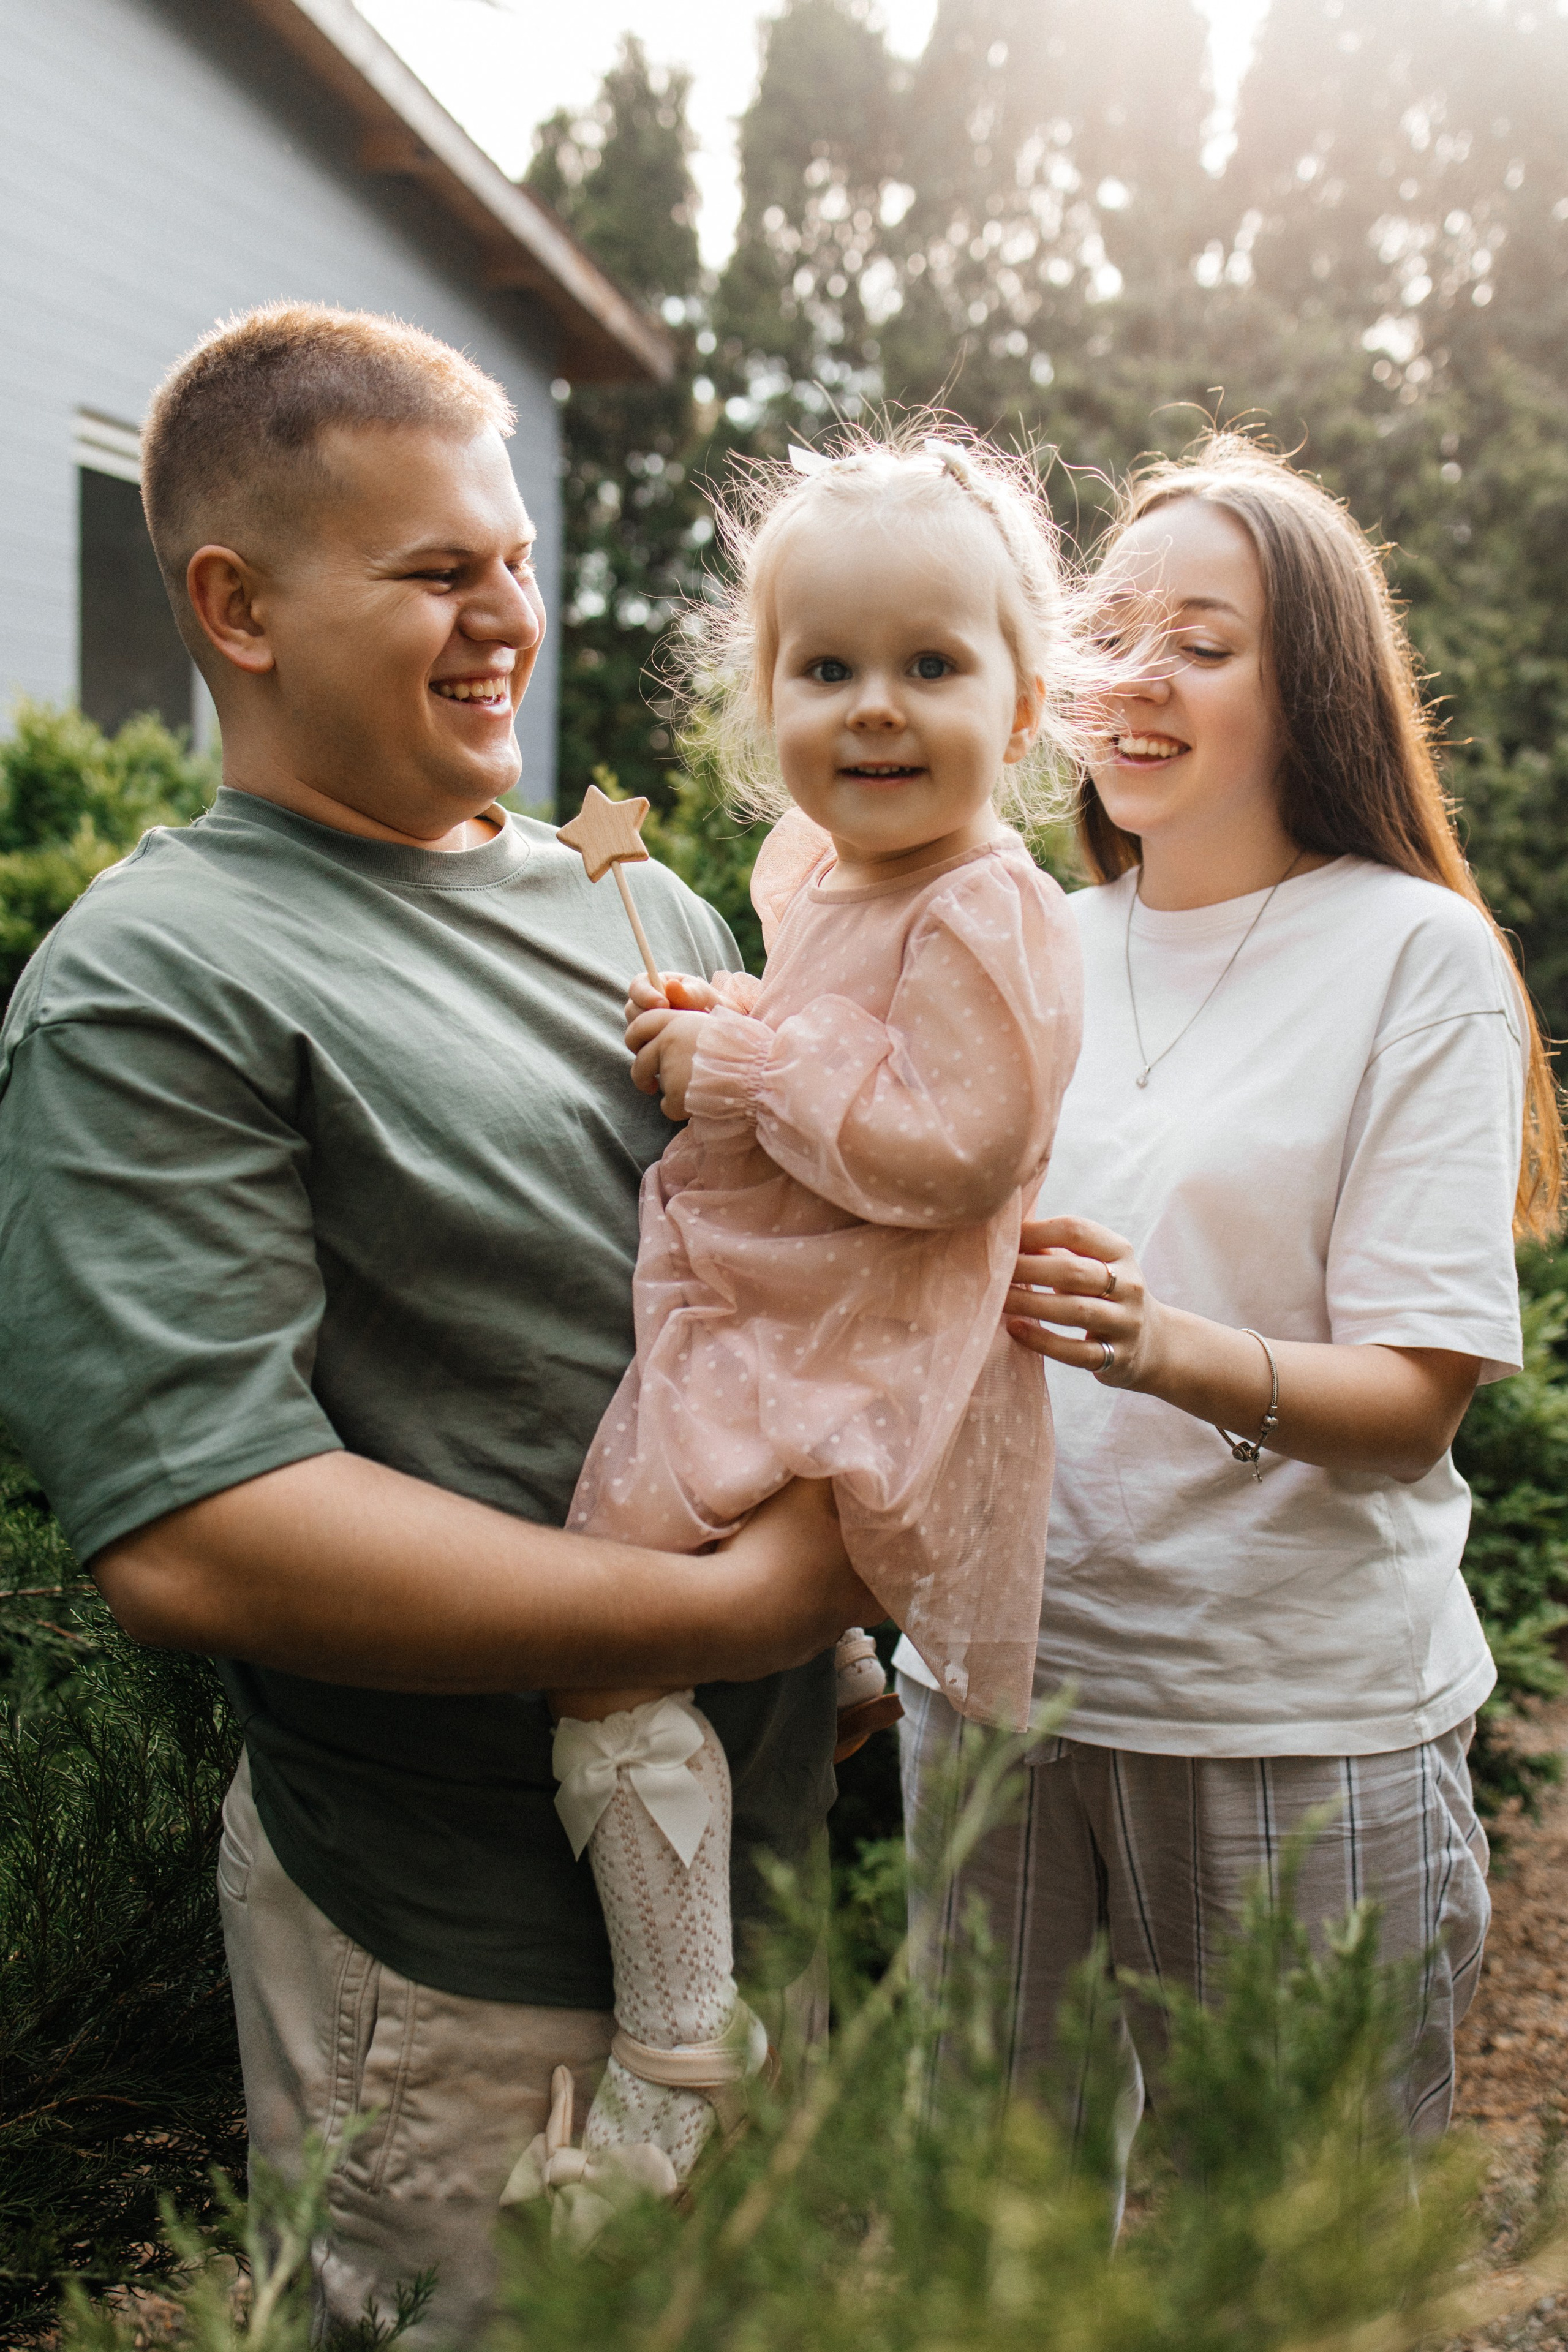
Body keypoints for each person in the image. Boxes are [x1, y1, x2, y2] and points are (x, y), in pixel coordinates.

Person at [0, 304, 867, 2343]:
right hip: (462, 1968)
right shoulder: (159, 982)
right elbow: (203, 1529)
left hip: (757, 1897)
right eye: (434, 572)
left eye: (516, 562)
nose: (508, 618)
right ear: (237, 606)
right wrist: (733, 1613)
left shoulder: (651, 918)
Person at [894, 431, 1561, 2147]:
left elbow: (1415, 1404)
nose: (1140, 679)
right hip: (992, 1700)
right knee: (1000, 2243)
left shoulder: (1412, 956)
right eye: (1114, 632)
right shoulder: (1029, 932)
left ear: (1312, 684)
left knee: (1286, 2269)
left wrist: (1159, 1345)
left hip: (1284, 1719)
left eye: (1205, 640)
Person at [513, 429, 1084, 2223]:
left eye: (933, 665)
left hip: (856, 1344)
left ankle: (683, 2047)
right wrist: (734, 1006)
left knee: (598, 1636)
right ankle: (824, 1672)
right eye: (826, 669)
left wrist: (745, 1066)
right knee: (644, 1614)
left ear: (1028, 697)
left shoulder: (996, 907)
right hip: (782, 1304)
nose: (877, 710)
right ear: (763, 698)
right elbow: (838, 1037)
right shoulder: (817, 874)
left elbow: (950, 1144)